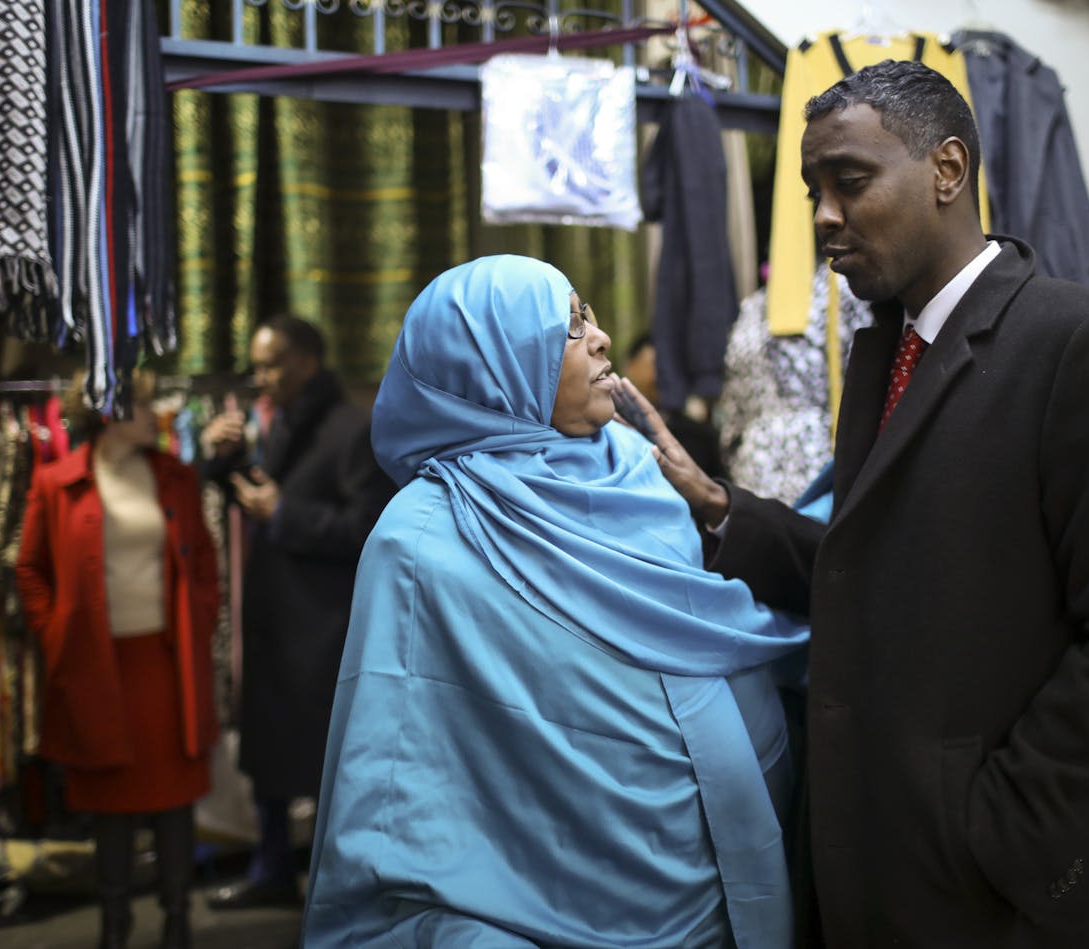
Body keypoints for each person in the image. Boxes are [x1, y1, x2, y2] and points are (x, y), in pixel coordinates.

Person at [618, 60, 1089, 947]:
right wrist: (715, 503)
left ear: (947, 171)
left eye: (850, 182)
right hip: (893, 874)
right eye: (813, 188)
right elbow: (875, 564)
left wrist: (994, 831)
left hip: (1012, 903)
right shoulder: (889, 351)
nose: (824, 215)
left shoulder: (1085, 347)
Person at [302, 255, 808, 947]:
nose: (599, 337)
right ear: (493, 364)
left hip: (704, 884)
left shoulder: (633, 468)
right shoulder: (422, 535)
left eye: (590, 315)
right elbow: (402, 764)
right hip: (544, 891)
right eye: (568, 327)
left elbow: (689, 631)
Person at [16, 372, 219, 949]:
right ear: (106, 410)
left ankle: (177, 922)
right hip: (97, 667)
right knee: (109, 802)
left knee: (175, 796)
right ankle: (114, 925)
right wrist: (55, 632)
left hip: (165, 663)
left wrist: (200, 613)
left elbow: (202, 558)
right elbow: (29, 569)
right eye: (142, 403)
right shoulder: (58, 481)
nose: (154, 413)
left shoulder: (174, 477)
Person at [201, 315, 394, 910]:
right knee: (272, 759)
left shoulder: (350, 429)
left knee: (322, 768)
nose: (261, 376)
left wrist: (284, 514)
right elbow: (261, 494)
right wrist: (223, 460)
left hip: (321, 630)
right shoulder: (285, 421)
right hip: (278, 623)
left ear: (307, 363)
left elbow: (370, 529)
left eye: (272, 363)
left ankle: (338, 895)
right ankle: (273, 872)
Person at [623, 332, 725, 479]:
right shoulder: (611, 426)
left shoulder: (699, 435)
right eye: (651, 365)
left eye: (665, 368)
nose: (656, 376)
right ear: (630, 367)